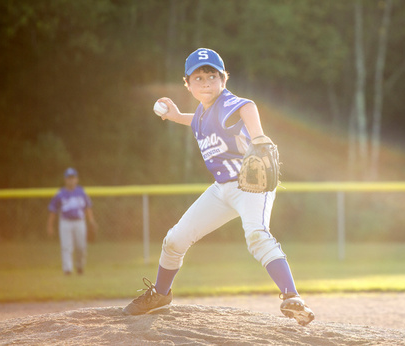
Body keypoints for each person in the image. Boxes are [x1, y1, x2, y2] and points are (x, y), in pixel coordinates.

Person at [123, 48, 314, 326]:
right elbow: (201, 120)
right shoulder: (203, 112)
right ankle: (161, 294)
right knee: (175, 239)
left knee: (257, 235)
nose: (206, 83)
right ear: (187, 84)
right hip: (221, 189)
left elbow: (246, 106)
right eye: (198, 78)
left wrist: (258, 136)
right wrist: (177, 117)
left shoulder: (227, 103)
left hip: (250, 186)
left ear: (223, 80)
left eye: (212, 76)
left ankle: (291, 296)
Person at [47, 168, 98, 275]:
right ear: (65, 179)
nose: (71, 180)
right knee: (66, 246)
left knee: (81, 246)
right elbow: (53, 210)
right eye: (69, 178)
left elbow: (88, 207)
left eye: (73, 178)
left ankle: (79, 266)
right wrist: (50, 226)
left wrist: (91, 221)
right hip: (65, 222)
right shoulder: (60, 193)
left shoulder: (81, 192)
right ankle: (67, 269)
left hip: (79, 222)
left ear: (77, 179)